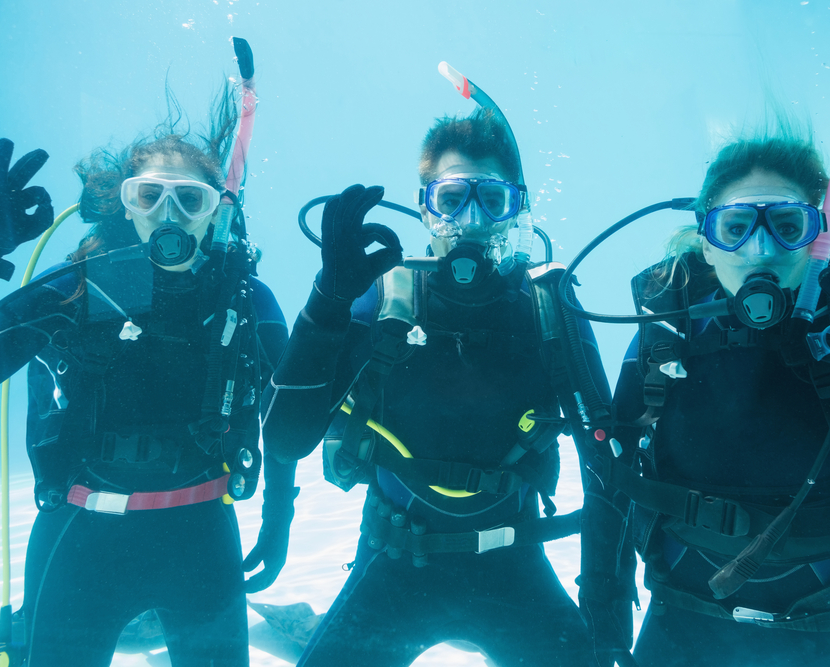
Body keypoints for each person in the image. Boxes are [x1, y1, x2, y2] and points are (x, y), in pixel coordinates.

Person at [581, 128, 830, 666]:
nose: (760, 250)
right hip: (682, 621)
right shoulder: (662, 340)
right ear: (706, 240)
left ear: (820, 239)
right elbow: (610, 489)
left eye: (788, 226)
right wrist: (605, 628)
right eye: (736, 227)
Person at [260, 108, 609, 667]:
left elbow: (606, 470)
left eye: (491, 201)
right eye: (451, 200)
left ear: (516, 210)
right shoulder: (381, 296)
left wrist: (605, 611)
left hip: (513, 561)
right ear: (425, 207)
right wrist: (328, 300)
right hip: (393, 560)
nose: (470, 220)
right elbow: (284, 441)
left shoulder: (548, 308)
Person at [0, 90, 297, 667]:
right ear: (128, 206)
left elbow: (291, 416)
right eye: (150, 196)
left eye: (189, 199)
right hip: (80, 536)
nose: (168, 217)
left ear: (214, 211)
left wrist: (278, 518)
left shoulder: (242, 297)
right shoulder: (77, 284)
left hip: (202, 538)